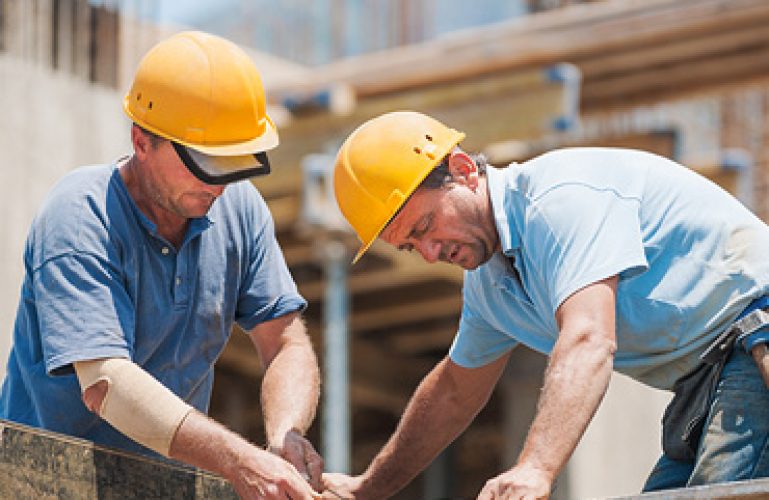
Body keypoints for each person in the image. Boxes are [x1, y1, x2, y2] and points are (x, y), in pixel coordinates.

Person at [323, 110, 769, 499]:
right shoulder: (490, 287)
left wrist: (536, 467)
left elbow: (589, 339)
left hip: (755, 332)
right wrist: (367, 489)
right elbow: (454, 392)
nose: (430, 253)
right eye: (410, 246)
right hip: (706, 378)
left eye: (426, 226)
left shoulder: (557, 201)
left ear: (462, 170)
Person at [0, 31, 323, 499]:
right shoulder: (80, 215)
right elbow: (106, 383)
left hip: (164, 485)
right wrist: (238, 460)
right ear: (142, 141)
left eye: (232, 165)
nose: (217, 187)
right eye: (203, 164)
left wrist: (284, 436)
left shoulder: (240, 209)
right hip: (42, 483)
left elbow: (286, 342)